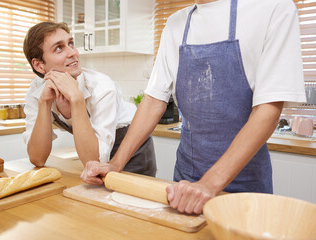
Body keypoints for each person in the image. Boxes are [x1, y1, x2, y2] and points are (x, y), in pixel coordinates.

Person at [81, 0, 306, 214]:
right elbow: (153, 100)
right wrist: (115, 164)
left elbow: (268, 109)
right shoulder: (175, 23)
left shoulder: (273, 9)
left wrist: (209, 184)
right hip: (185, 183)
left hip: (246, 186)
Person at [22, 22, 156, 176]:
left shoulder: (102, 88)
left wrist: (76, 99)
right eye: (59, 48)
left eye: (71, 43)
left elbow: (95, 161)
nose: (72, 52)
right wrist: (44, 104)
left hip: (132, 154)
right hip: (94, 150)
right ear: (39, 65)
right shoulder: (38, 91)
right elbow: (37, 159)